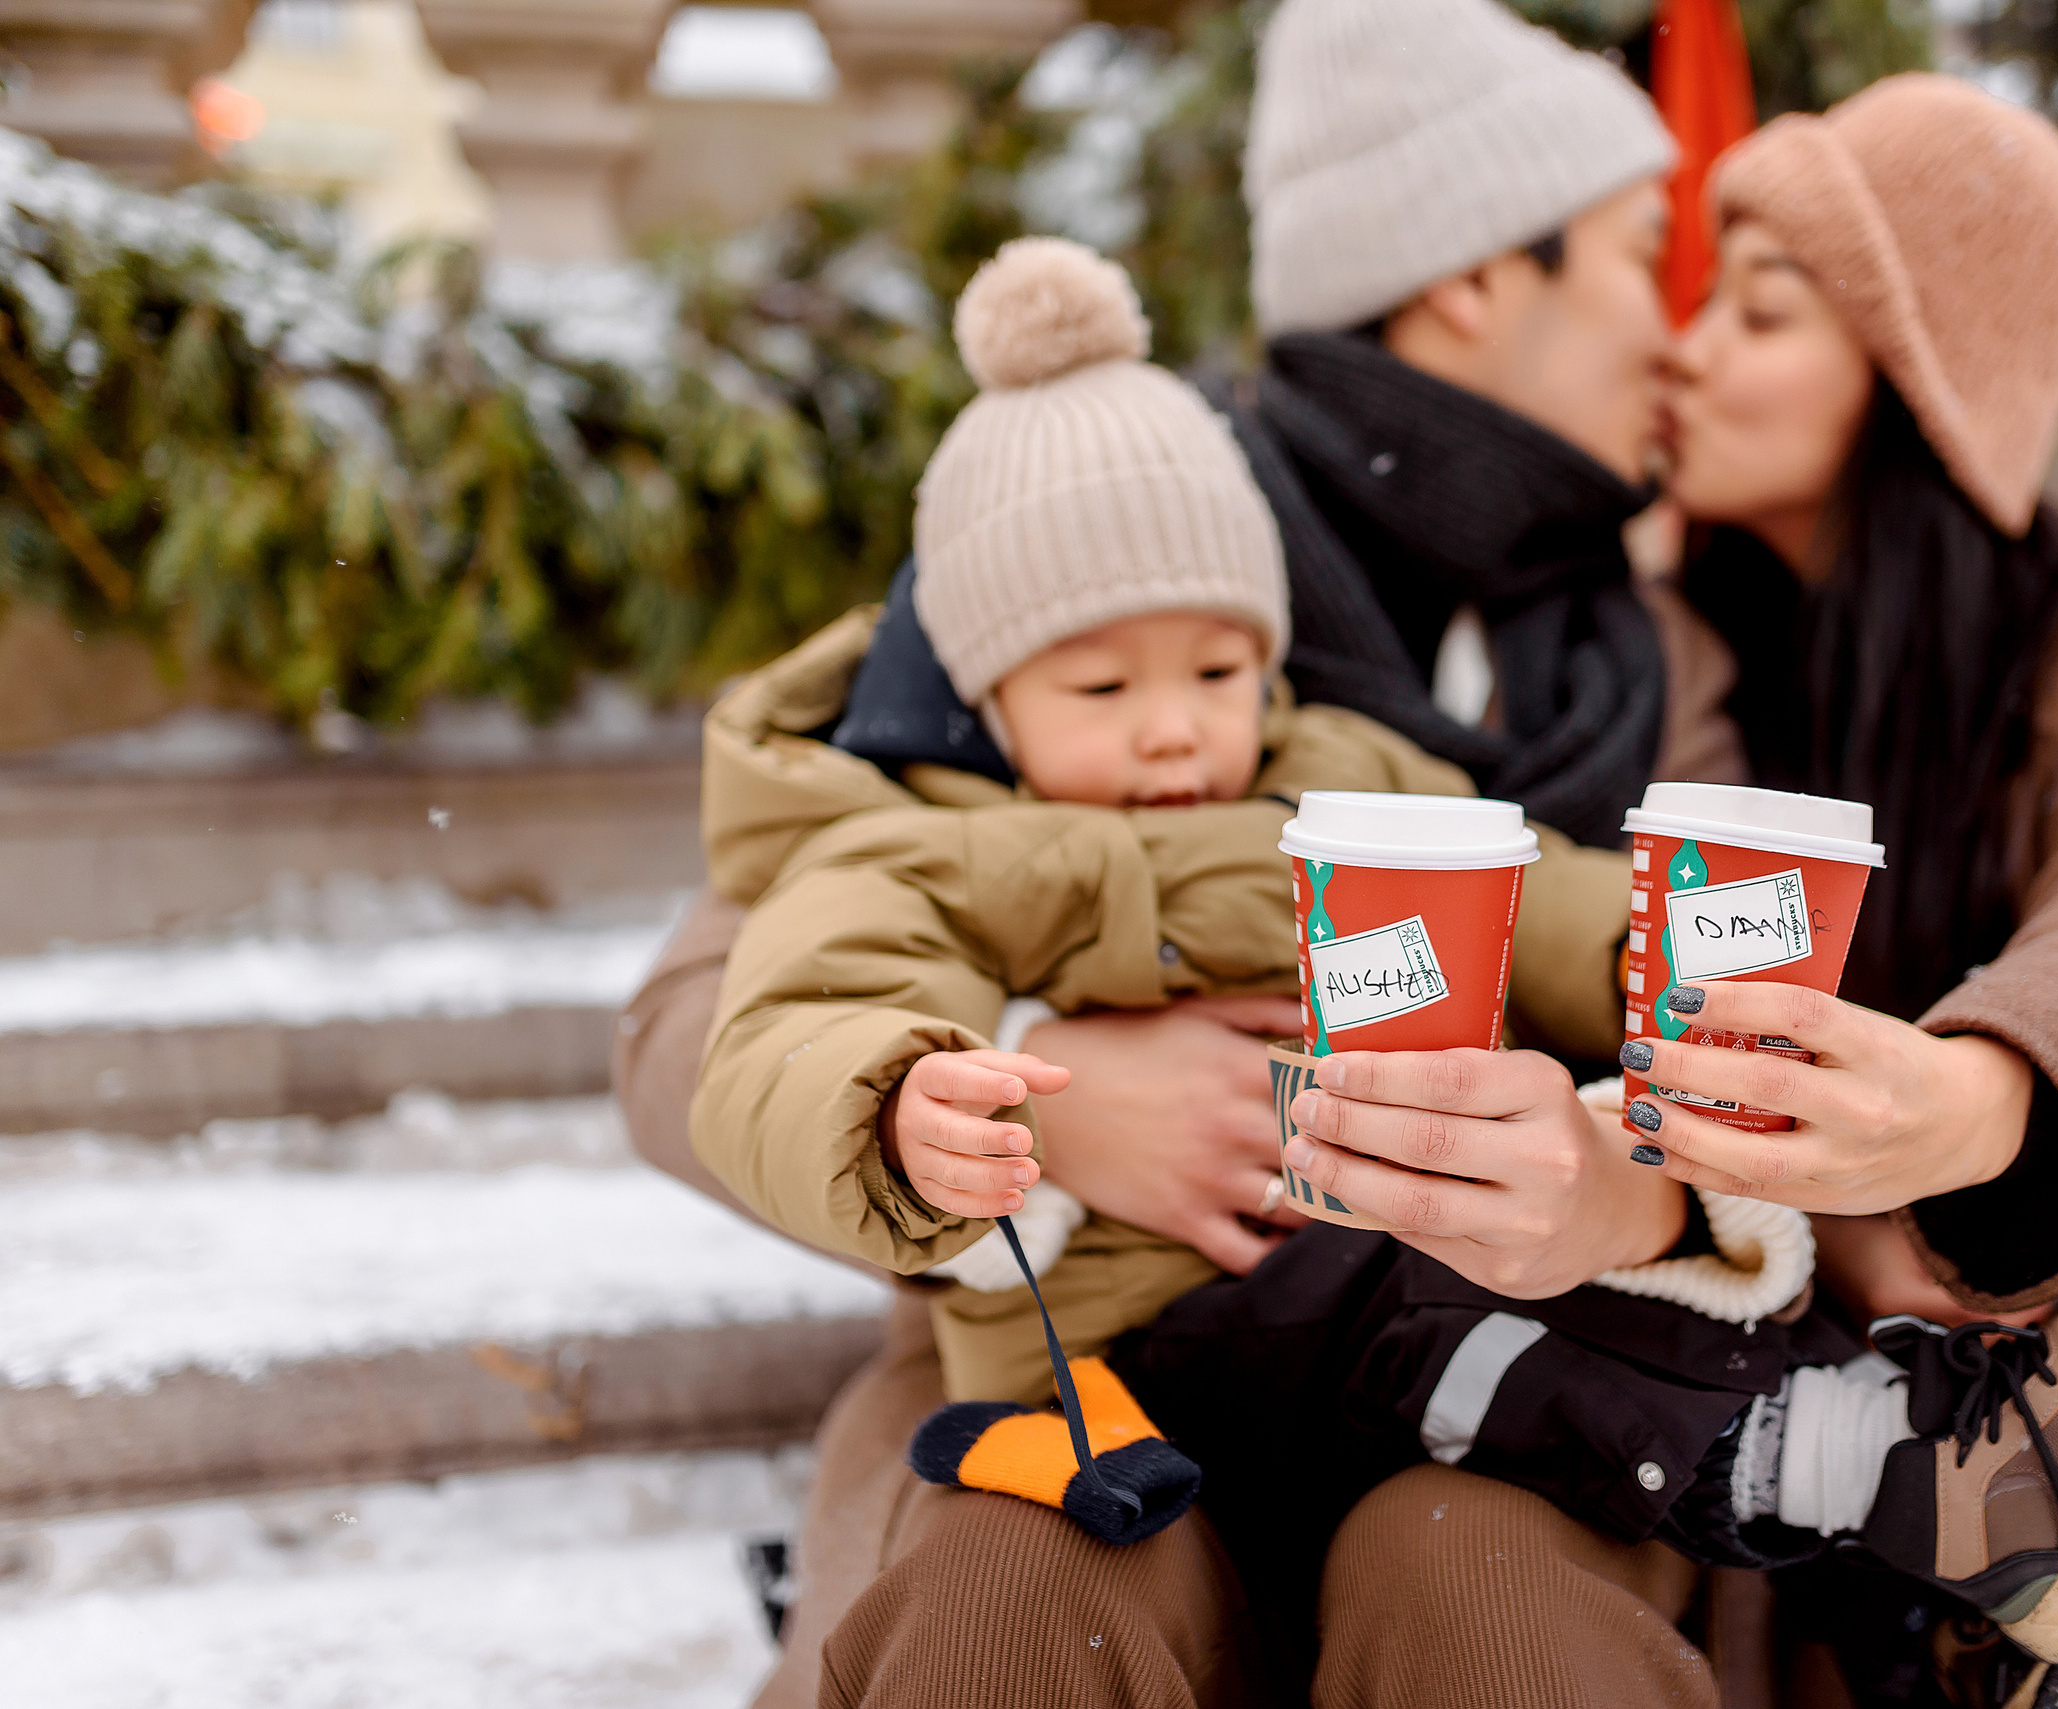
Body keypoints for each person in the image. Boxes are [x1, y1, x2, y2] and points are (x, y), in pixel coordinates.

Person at [1269, 73, 2058, 1706]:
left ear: (1921, 376)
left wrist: (1985, 1098)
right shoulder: (1669, 652)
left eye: (1764, 311)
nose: (1690, 349)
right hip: (1817, 1287)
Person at [612, 2, 1749, 1700]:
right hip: (1081, 1360)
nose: (1681, 333)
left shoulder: (1646, 644)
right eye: (1642, 257)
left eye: (1219, 677)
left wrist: (1652, 1130)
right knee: (1015, 1605)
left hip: (1453, 1344)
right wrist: (1038, 1084)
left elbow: (1617, 933)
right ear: (1472, 281)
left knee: (1493, 1599)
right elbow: (719, 1011)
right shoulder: (1080, 526)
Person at [689, 233, 1637, 1413]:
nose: (1171, 729)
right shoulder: (922, 849)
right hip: (1098, 1354)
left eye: (1217, 669)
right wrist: (893, 1111)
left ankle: (1730, 1432)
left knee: (1497, 1375)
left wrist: (1645, 947)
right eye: (1101, 689)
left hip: (1369, 1275)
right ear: (989, 703)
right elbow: (795, 1026)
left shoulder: (1342, 778)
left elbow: (1529, 888)